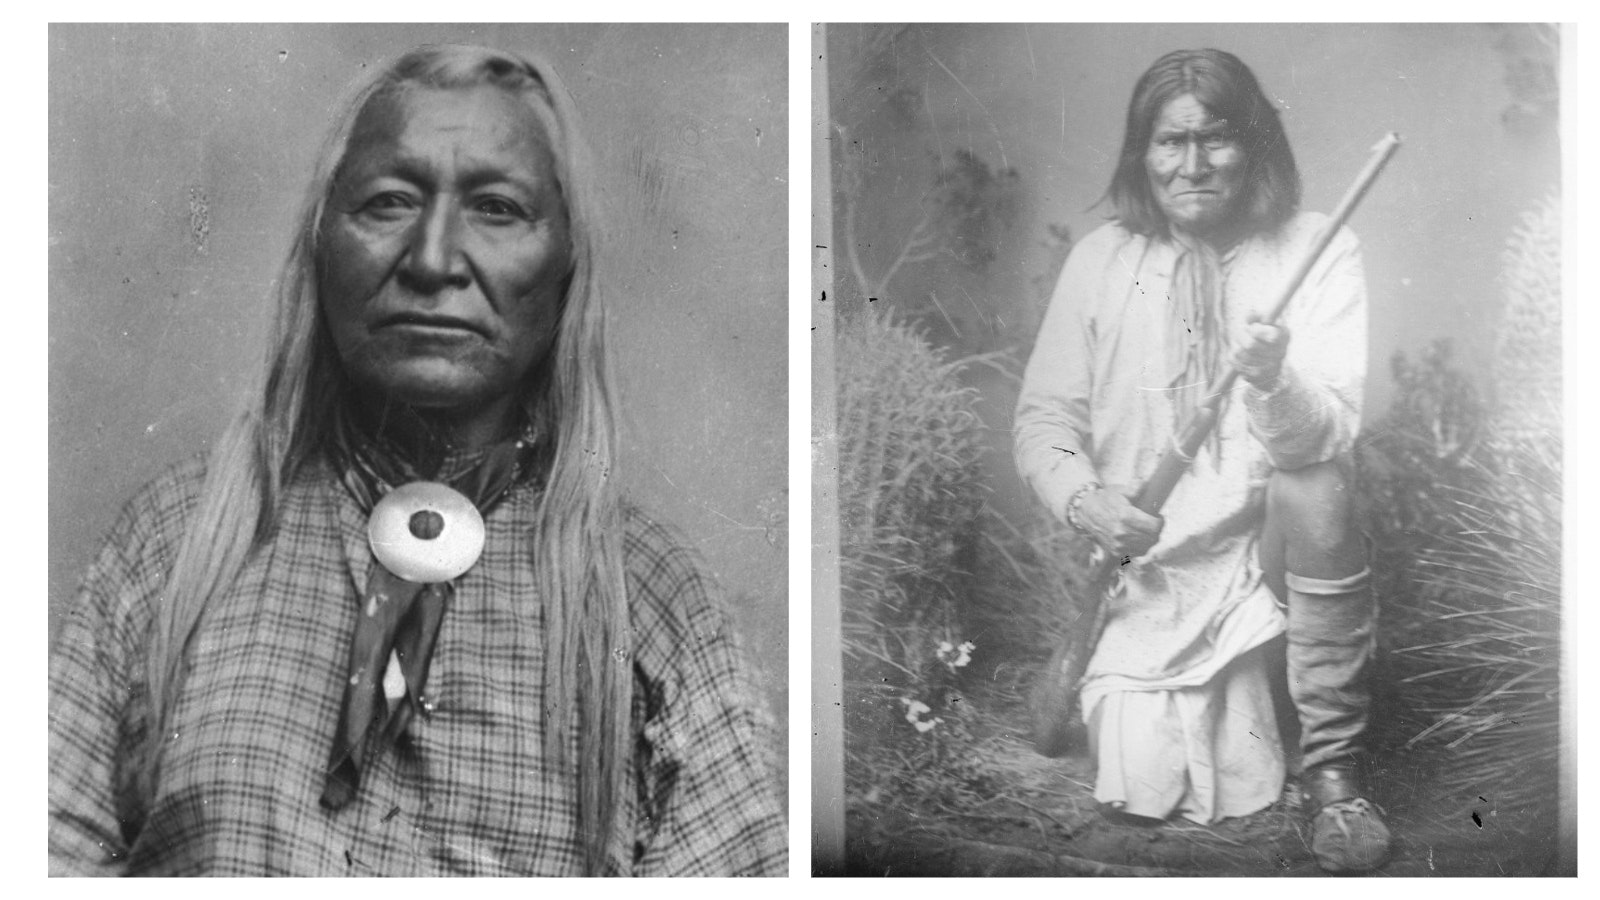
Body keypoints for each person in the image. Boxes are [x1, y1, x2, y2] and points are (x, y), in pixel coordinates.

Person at [48, 44, 786, 876]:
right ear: (321, 243)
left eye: (499, 208)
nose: (433, 260)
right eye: (389, 201)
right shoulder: (172, 545)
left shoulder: (652, 600)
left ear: (566, 265)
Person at [1014, 48, 1390, 873]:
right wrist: (1088, 502)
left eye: (1214, 139)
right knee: (1143, 787)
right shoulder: (1100, 262)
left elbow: (1322, 438)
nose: (1191, 165)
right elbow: (1043, 423)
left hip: (1269, 570)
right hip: (1146, 577)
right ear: (1140, 155)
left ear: (1253, 144)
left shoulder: (1319, 249)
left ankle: (1334, 771)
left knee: (1320, 486)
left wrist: (1271, 377)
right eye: (1168, 143)